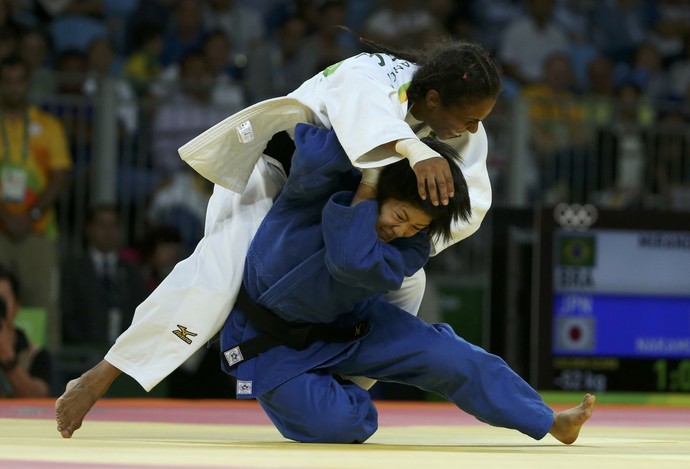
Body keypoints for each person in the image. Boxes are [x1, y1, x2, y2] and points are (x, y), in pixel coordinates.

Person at [56, 34, 502, 438]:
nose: (472, 130)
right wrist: (414, 149)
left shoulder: (459, 129)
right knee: (218, 275)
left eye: (480, 120)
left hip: (346, 209)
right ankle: (100, 375)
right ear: (434, 97)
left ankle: (336, 378)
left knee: (409, 284)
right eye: (468, 118)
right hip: (274, 179)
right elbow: (365, 128)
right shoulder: (371, 73)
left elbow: (471, 205)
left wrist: (396, 245)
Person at [220, 123, 594, 444]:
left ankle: (547, 421)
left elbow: (351, 260)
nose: (400, 231)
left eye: (416, 226)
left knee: (451, 356)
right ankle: (335, 393)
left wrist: (369, 189)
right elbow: (318, 130)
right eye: (400, 216)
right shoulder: (318, 185)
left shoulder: (409, 247)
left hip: (350, 328)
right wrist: (389, 141)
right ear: (386, 188)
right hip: (272, 343)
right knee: (340, 424)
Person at [0, 55, 72, 351]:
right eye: (8, 80)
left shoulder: (48, 125)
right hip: (2, 230)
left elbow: (59, 176)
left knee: (41, 305)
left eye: (20, 80)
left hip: (39, 230)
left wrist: (31, 214)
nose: (14, 87)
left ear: (28, 84)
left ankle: (45, 378)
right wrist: (7, 217)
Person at [60, 204, 148, 350]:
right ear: (88, 229)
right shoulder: (73, 269)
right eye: (102, 224)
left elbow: (141, 310)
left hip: (125, 354)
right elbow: (67, 314)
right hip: (82, 353)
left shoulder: (132, 270)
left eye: (113, 225)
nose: (108, 231)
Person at [0, 264, 53, 397]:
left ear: (16, 307)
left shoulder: (35, 355)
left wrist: (8, 359)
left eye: (1, 300)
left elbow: (39, 399)